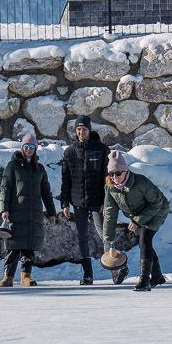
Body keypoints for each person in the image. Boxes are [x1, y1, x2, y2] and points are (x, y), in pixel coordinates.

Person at [102, 151, 169, 291]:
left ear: (125, 171)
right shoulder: (110, 187)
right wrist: (109, 237)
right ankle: (157, 276)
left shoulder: (140, 182)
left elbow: (157, 203)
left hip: (158, 209)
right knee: (144, 243)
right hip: (139, 214)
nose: (114, 177)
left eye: (118, 173)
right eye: (111, 174)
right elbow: (110, 212)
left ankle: (145, 280)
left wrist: (138, 221)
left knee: (144, 239)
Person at [0, 134, 57, 287]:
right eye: (26, 146)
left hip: (34, 213)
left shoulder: (40, 168)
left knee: (29, 246)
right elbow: (5, 188)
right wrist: (4, 209)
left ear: (35, 148)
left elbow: (46, 192)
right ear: (22, 148)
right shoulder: (13, 166)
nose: (29, 149)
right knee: (13, 245)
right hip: (16, 212)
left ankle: (26, 276)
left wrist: (52, 212)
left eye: (32, 147)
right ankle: (8, 277)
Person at [58, 115, 110, 285]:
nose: (81, 132)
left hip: (97, 201)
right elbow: (66, 180)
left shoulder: (101, 149)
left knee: (105, 233)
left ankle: (115, 266)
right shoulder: (69, 152)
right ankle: (88, 274)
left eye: (84, 129)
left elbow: (107, 178)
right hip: (78, 200)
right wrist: (65, 203)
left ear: (89, 130)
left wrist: (105, 201)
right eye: (78, 129)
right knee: (82, 237)